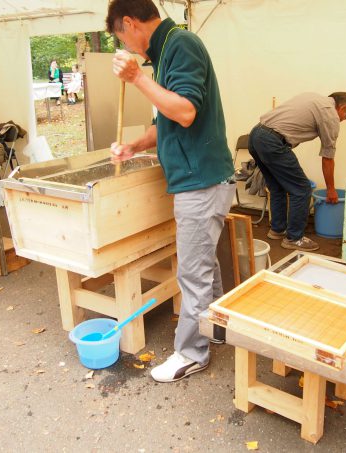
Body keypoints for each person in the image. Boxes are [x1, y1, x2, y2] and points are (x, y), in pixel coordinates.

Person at [106, 0, 236, 383]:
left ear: (129, 23)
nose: (126, 47)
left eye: (120, 37)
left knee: (193, 272)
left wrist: (136, 79)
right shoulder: (163, 55)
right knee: (204, 264)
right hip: (200, 180)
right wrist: (134, 146)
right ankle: (217, 328)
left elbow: (185, 112)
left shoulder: (181, 44)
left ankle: (191, 352)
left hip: (202, 181)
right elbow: (164, 122)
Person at [248, 92, 346, 251]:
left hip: (255, 135)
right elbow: (327, 158)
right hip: (272, 142)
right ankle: (294, 238)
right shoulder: (330, 115)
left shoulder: (314, 98)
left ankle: (277, 230)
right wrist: (331, 189)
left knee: (277, 187)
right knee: (302, 189)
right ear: (343, 107)